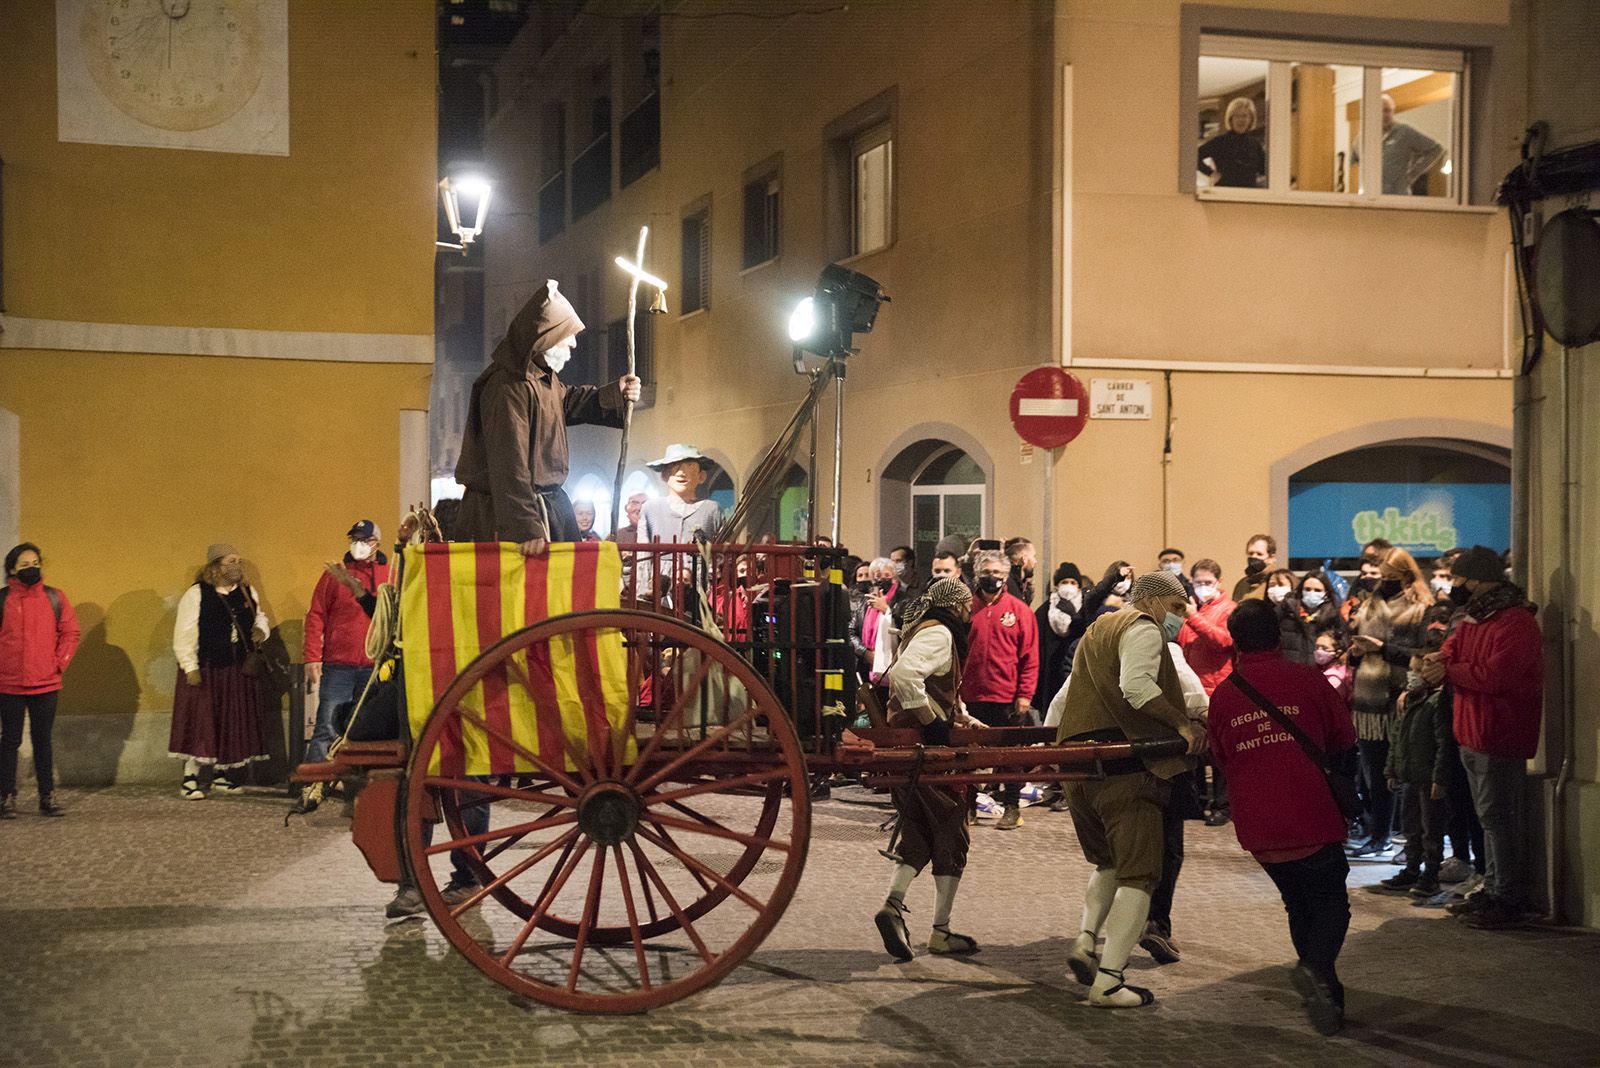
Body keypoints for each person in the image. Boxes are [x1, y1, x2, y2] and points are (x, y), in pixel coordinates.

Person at [1207, 599, 1358, 1035]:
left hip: (1260, 825)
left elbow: (1221, 756)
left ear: (1235, 642)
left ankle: (1326, 995)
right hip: (1309, 812)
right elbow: (1344, 737)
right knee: (1331, 904)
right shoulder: (1306, 680)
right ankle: (1315, 970)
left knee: (1298, 902)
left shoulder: (1226, 695)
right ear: (1277, 635)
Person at [1058, 569, 1203, 1009]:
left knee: (1107, 864)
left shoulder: (1098, 629)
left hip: (1079, 767)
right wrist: (1181, 722)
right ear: (1155, 600)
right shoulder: (1143, 627)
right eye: (1177, 608)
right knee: (1140, 877)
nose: (1180, 617)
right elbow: (1136, 687)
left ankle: (1085, 941)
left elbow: (1063, 701)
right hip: (1125, 767)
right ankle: (1110, 981)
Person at [454, 279, 641, 551]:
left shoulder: (543, 379)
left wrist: (617, 394)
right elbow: (509, 462)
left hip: (546, 509)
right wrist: (524, 526)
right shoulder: (508, 385)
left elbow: (569, 401)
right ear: (546, 336)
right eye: (568, 335)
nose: (575, 344)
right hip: (505, 517)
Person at [1421, 545, 1543, 929]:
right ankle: (1492, 889)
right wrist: (1439, 663)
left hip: (1499, 731)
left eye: (1458, 578)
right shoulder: (1475, 617)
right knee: (1487, 817)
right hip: (1471, 730)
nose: (1453, 586)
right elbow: (1448, 652)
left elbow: (1495, 676)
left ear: (1478, 579)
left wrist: (1451, 670)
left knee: (1497, 819)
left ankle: (1508, 898)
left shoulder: (1516, 622)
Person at [874, 578, 985, 961]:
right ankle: (940, 932)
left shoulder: (926, 630)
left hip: (908, 750)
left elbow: (940, 688)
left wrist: (963, 717)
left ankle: (892, 905)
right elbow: (906, 677)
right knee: (953, 835)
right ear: (956, 607)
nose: (970, 613)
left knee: (918, 833)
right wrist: (934, 722)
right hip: (926, 750)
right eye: (967, 606)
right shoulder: (939, 634)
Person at [1346, 546, 1432, 858]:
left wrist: (1381, 648)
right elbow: (1358, 646)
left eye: (1391, 577)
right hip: (1368, 698)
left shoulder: (1420, 606)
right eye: (1383, 577)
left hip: (1400, 696)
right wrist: (1356, 653)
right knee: (1373, 773)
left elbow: (1421, 655)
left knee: (1402, 773)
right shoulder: (1371, 603)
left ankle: (1409, 841)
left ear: (1406, 576)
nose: (1384, 583)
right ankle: (1378, 834)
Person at [170, 543, 272, 799]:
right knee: (200, 721)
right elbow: (185, 631)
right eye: (229, 561)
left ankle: (221, 774)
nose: (235, 566)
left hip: (235, 668)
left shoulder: (247, 592)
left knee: (228, 720)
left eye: (238, 561)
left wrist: (262, 630)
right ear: (215, 566)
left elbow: (260, 617)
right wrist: (190, 666)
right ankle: (190, 777)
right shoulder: (198, 594)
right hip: (206, 666)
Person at [0, 543, 81, 819]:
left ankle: (47, 796)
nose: (31, 568)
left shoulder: (54, 597)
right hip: (8, 683)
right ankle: (6, 796)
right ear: (12, 569)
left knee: (42, 740)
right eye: (24, 564)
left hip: (46, 683)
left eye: (35, 562)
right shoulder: (3, 600)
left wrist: (59, 663)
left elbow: (70, 632)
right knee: (9, 740)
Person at [1370, 628, 1451, 901]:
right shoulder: (1409, 701)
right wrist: (1391, 769)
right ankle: (1412, 868)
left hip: (1428, 777)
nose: (1413, 676)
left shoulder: (1436, 702)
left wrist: (1440, 777)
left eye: (1419, 670)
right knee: (1411, 827)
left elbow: (1443, 743)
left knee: (1431, 828)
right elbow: (1398, 739)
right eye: (1412, 670)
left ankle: (1431, 873)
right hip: (1409, 775)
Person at [962, 551, 1040, 831]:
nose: (991, 577)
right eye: (986, 571)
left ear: (1006, 577)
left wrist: (1025, 694)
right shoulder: (964, 608)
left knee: (1010, 757)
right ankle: (967, 806)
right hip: (969, 696)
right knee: (966, 757)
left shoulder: (1020, 611)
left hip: (1007, 697)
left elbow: (1030, 657)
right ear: (976, 573)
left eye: (997, 573)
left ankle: (1010, 807)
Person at [301, 521, 389, 766]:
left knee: (366, 728)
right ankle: (312, 780)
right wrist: (312, 657)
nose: (357, 545)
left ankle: (360, 778)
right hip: (339, 665)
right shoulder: (335, 576)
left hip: (374, 665)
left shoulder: (389, 574)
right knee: (327, 725)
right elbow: (316, 616)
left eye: (363, 540)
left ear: (375, 543)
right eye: (354, 540)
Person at [1178, 558, 1236, 826]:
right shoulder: (1192, 609)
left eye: (1208, 583)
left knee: (1219, 752)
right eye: (1198, 582)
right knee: (1196, 749)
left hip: (1218, 688)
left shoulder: (1227, 610)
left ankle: (1224, 804)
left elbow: (1223, 641)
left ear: (1219, 583)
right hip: (1193, 690)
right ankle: (1199, 800)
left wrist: (1192, 616)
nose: (1203, 587)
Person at [1354, 94, 1446, 195]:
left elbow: (1436, 149)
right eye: (1380, 111)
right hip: (1369, 196)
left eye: (1387, 110)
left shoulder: (1404, 132)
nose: (1384, 115)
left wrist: (1412, 174)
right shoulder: (1363, 136)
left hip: (1397, 195)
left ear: (1392, 112)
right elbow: (1356, 161)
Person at [1036, 562, 1085, 723]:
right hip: (1050, 671)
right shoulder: (1044, 611)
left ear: (1079, 587)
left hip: (1076, 670)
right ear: (1056, 586)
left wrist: (1075, 616)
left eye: (1073, 582)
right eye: (1064, 582)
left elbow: (1087, 633)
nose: (1068, 586)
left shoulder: (1084, 608)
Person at [1198, 97, 1266, 188]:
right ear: (1231, 119)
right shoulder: (1220, 142)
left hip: (1249, 195)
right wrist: (1210, 173)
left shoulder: (1255, 144)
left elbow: (1264, 169)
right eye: (1237, 116)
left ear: (1251, 119)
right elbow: (1193, 157)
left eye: (1245, 116)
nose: (1241, 120)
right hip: (1225, 193)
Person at [1231, 534, 1277, 603]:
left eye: (1259, 554)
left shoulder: (1275, 583)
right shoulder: (1242, 584)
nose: (1254, 557)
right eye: (1251, 553)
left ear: (1271, 558)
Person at [1004, 538, 1037, 605]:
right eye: (1033, 556)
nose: (1036, 561)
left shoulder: (1021, 583)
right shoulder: (1010, 585)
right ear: (1024, 559)